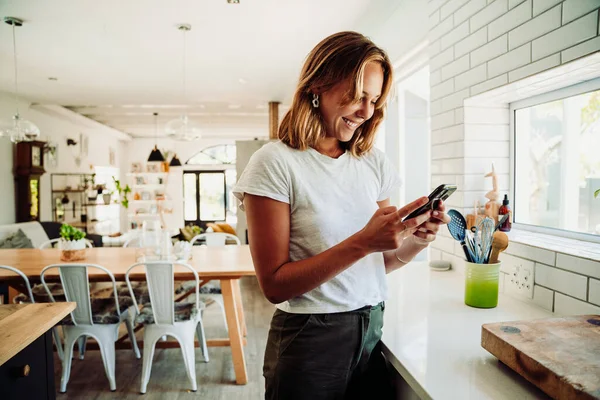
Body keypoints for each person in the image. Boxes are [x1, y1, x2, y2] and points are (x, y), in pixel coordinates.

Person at [233, 31, 449, 400]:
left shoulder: (372, 163)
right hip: (309, 340)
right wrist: (362, 242)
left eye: (375, 100)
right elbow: (273, 284)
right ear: (319, 84)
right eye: (358, 96)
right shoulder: (275, 163)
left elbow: (379, 263)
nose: (366, 111)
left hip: (371, 330)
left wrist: (414, 240)